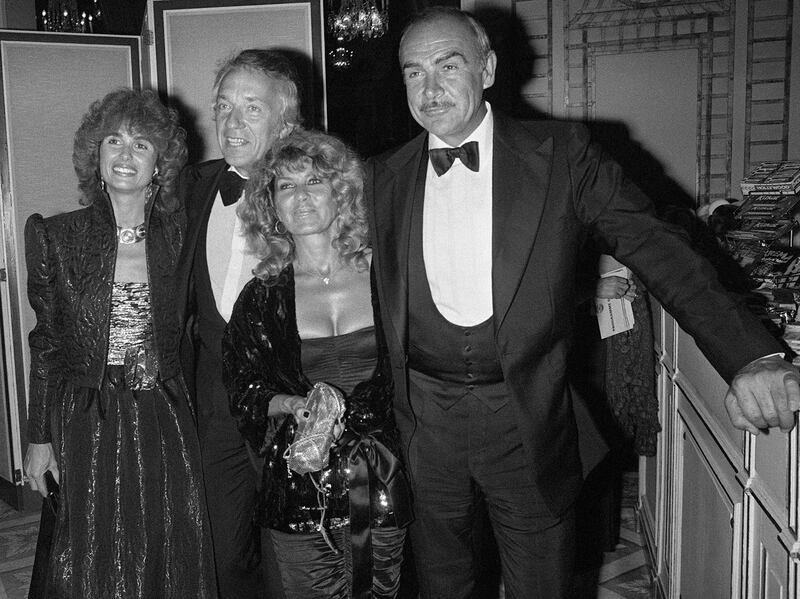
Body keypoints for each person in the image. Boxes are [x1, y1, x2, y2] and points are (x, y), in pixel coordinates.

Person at [365, 7, 800, 599]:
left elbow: (658, 247)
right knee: (441, 584)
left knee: (540, 584)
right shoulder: (380, 177)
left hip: (526, 417)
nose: (431, 87)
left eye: (449, 64)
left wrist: (750, 356)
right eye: (414, 72)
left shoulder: (562, 153)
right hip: (423, 423)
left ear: (488, 68)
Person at [22, 88, 216, 598]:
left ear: (161, 163)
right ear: (96, 155)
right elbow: (45, 345)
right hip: (89, 416)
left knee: (166, 542)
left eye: (142, 145)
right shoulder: (55, 236)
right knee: (91, 549)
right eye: (114, 141)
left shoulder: (185, 236)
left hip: (167, 414)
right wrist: (38, 436)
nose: (125, 155)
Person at [222, 128, 412, 599]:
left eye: (314, 182)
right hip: (300, 479)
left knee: (382, 590)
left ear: (341, 193)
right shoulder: (260, 296)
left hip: (383, 472)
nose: (301, 197)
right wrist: (288, 402)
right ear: (271, 204)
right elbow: (241, 387)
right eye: (286, 186)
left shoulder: (388, 274)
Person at [176, 48, 302, 599]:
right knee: (224, 553)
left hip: (288, 399)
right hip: (213, 402)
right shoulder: (192, 186)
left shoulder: (316, 195)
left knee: (292, 551)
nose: (232, 122)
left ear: (285, 123)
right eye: (224, 106)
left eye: (252, 108)